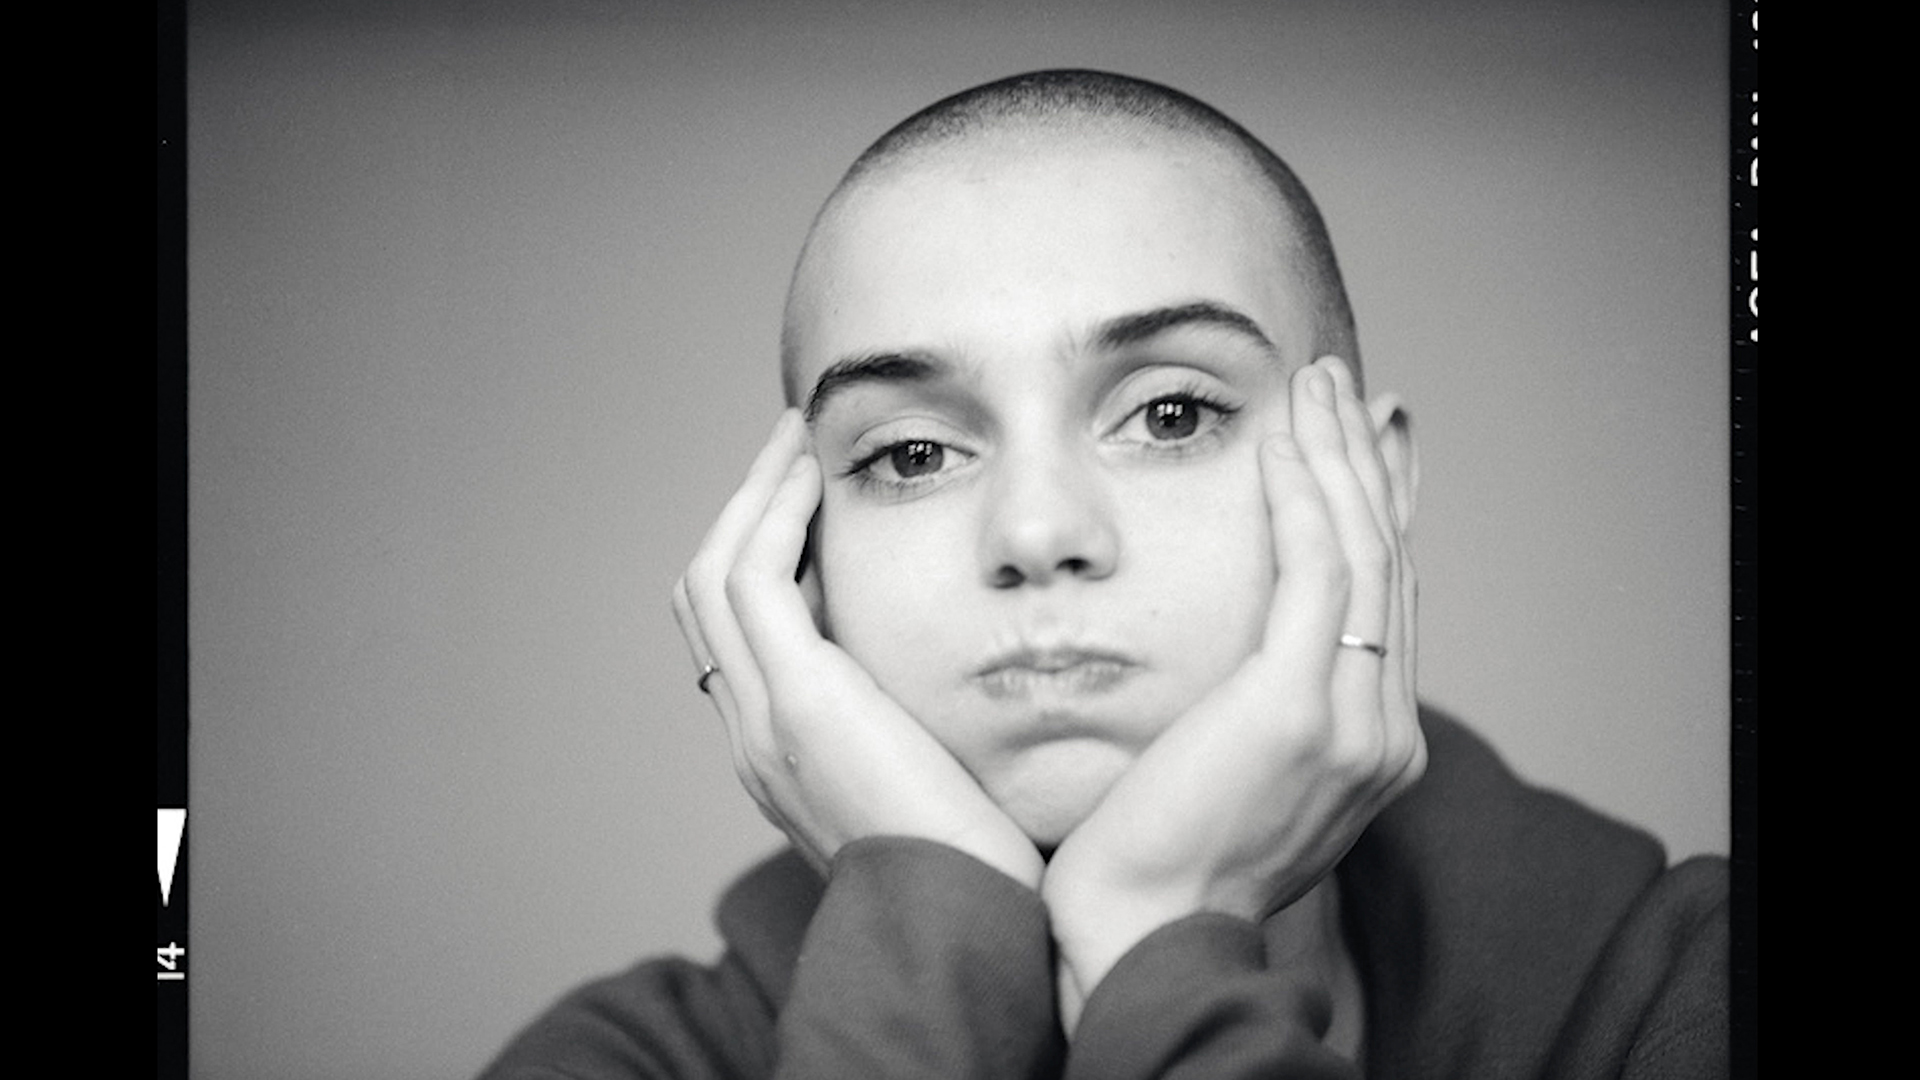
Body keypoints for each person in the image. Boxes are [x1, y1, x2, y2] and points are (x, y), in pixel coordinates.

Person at [478, 69, 1728, 1080]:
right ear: (794, 561)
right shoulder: (617, 1063)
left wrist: (1158, 943)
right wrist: (941, 942)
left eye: (1172, 415)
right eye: (912, 452)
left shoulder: (1691, 1001)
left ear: (1376, 492)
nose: (1035, 532)